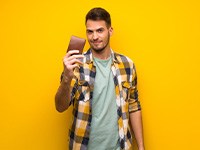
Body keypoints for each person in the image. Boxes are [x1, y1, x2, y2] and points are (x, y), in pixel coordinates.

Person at [55, 7, 145, 150]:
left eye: (100, 30)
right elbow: (60, 107)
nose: (94, 37)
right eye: (90, 31)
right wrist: (66, 78)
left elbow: (133, 107)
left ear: (110, 31)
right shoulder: (76, 65)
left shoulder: (127, 65)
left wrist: (141, 147)